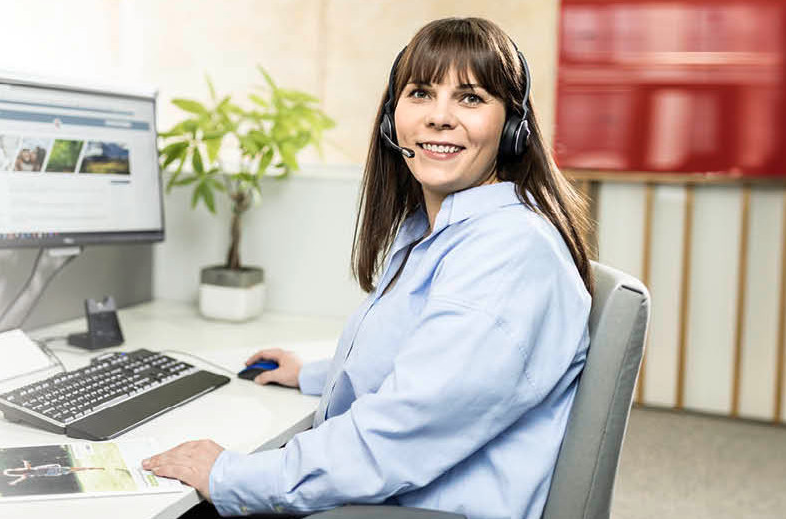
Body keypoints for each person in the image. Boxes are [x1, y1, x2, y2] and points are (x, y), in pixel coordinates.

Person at [142, 17, 595, 519]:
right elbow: (429, 368)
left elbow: (399, 436)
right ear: (390, 118)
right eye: (421, 93)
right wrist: (315, 374)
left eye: (470, 98)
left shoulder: (508, 254)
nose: (439, 117)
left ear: (513, 127)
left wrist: (230, 474)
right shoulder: (440, 230)